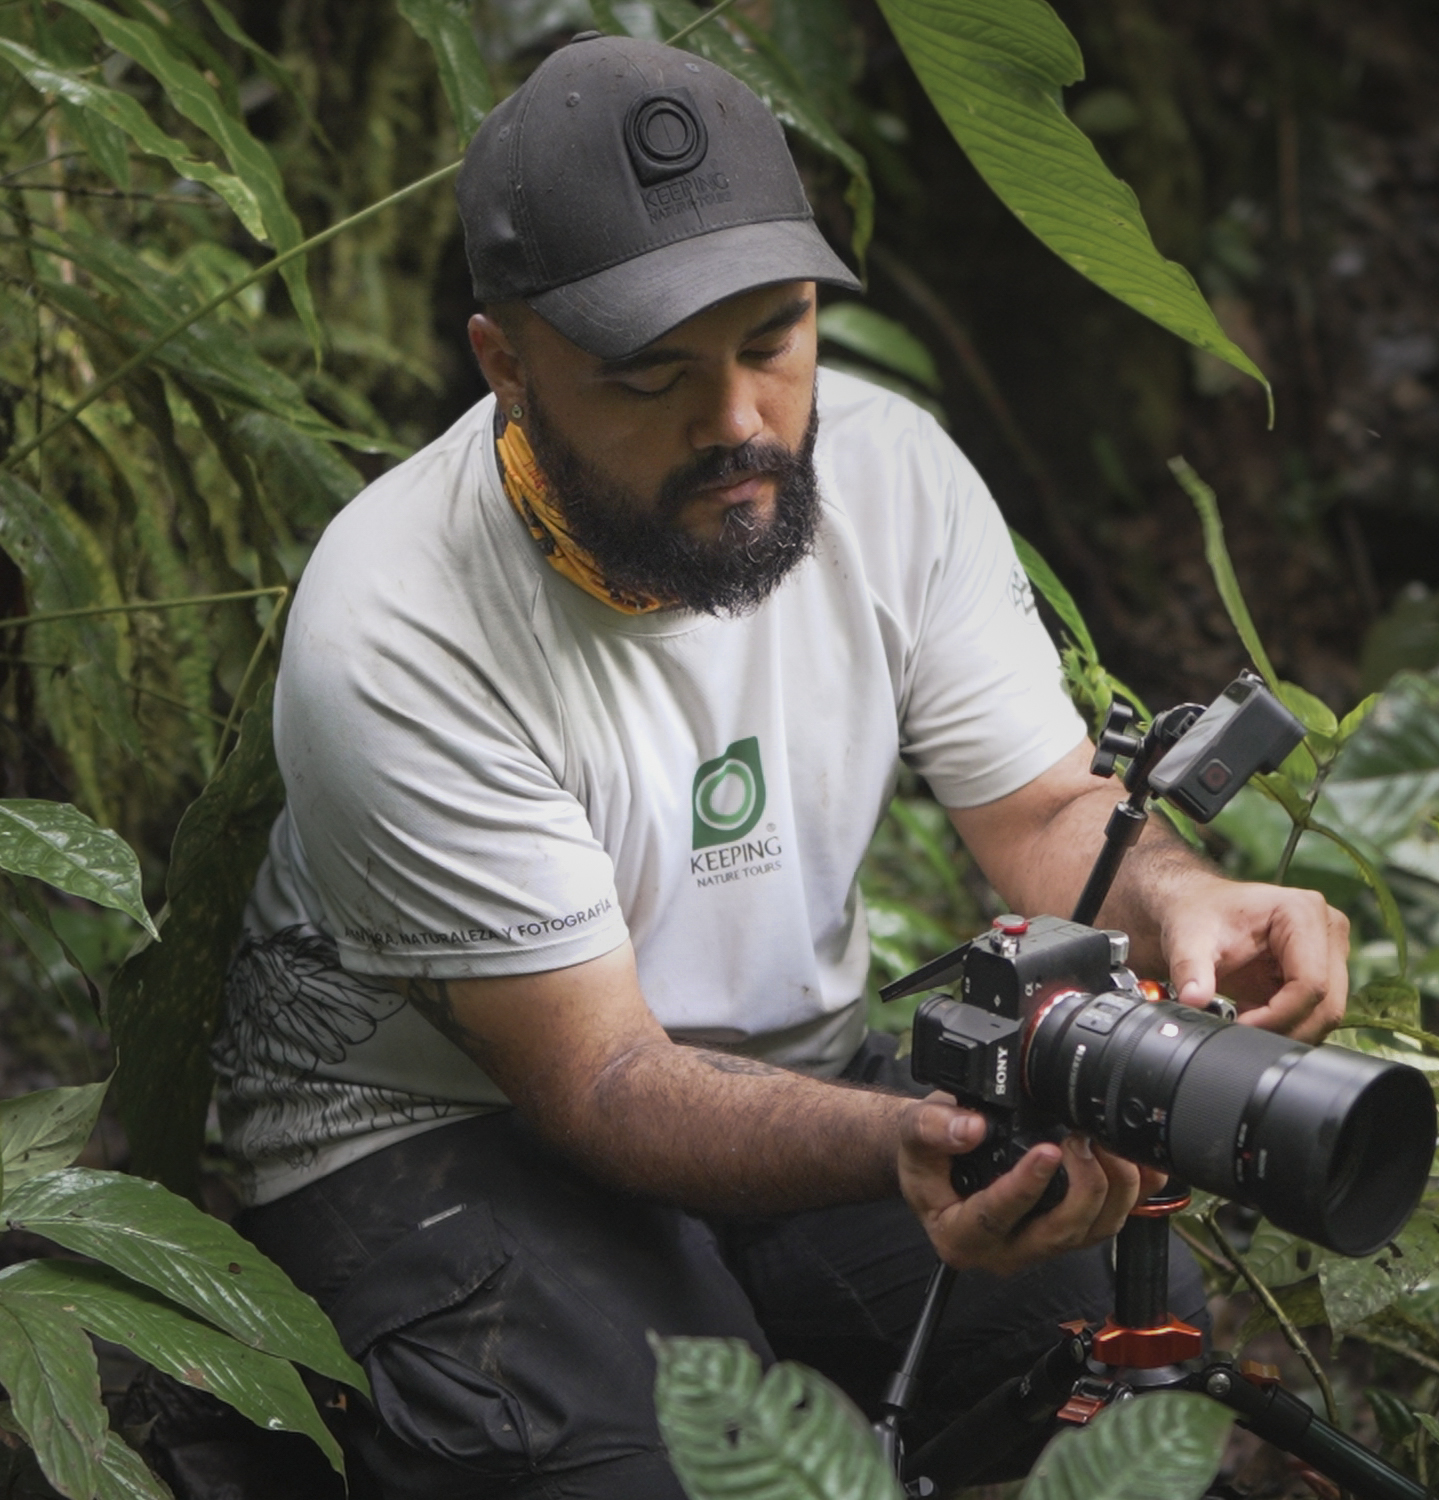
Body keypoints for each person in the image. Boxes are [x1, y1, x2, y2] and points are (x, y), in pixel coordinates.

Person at [209, 33, 1349, 1500]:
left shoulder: (893, 471)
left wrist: (1187, 903)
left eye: (774, 338)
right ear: (506, 362)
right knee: (663, 1469)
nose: (740, 423)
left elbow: (1045, 809)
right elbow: (604, 1084)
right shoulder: (397, 617)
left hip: (780, 1080)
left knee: (1104, 1352)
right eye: (652, 376)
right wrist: (922, 1141)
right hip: (441, 1126)